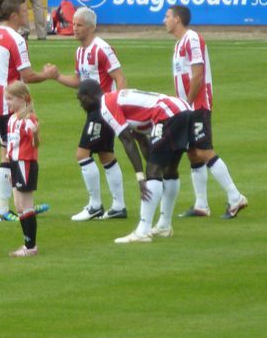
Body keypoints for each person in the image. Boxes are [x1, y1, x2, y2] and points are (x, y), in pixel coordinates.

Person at [76, 80, 192, 244]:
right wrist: (152, 164)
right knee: (169, 170)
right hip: (183, 108)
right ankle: (164, 226)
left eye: (81, 99)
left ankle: (143, 231)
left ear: (90, 96)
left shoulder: (106, 106)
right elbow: (141, 140)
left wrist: (141, 177)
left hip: (168, 113)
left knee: (153, 172)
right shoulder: (118, 100)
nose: (81, 105)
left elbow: (127, 141)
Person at [164, 5, 248, 220]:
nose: (164, 20)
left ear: (178, 19)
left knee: (203, 151)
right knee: (193, 153)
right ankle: (201, 205)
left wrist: (187, 104)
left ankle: (235, 196)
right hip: (188, 106)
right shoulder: (178, 44)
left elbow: (198, 75)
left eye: (167, 16)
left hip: (198, 104)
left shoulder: (192, 38)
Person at [44, 7, 128, 220]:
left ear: (91, 27)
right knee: (106, 155)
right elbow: (79, 82)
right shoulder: (80, 52)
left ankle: (95, 205)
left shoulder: (102, 48)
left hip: (103, 109)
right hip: (94, 109)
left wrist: (117, 104)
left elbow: (119, 77)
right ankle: (118, 207)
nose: (74, 28)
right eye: (73, 24)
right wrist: (56, 76)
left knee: (82, 154)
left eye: (79, 25)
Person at [0, 0, 52, 221]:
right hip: (9, 105)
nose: (27, 15)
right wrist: (49, 75)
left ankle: (15, 206)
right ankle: (7, 208)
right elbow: (28, 75)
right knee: (12, 155)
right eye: (24, 12)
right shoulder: (16, 39)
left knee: (6, 151)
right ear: (14, 16)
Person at [4, 81, 41, 257]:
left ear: (21, 98)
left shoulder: (28, 118)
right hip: (16, 164)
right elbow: (12, 144)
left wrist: (34, 132)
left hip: (25, 163)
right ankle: (28, 244)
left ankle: (30, 247)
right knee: (19, 206)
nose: (7, 103)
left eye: (10, 99)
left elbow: (35, 140)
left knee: (25, 205)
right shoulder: (12, 119)